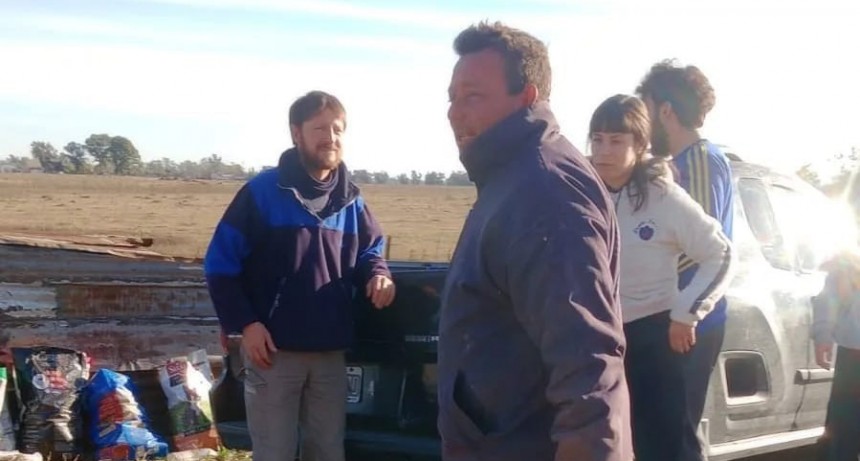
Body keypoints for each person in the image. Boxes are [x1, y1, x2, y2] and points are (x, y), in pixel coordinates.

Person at [438, 21, 632, 461]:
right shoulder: (513, 178)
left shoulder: (546, 194)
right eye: (451, 97)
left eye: (472, 96)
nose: (454, 112)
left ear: (526, 97)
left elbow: (586, 361)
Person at [203, 90, 396, 461]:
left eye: (338, 129)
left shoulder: (352, 201)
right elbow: (220, 265)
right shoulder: (262, 193)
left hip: (329, 353)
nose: (331, 137)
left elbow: (370, 252)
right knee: (275, 453)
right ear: (296, 133)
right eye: (320, 128)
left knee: (326, 452)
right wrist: (247, 324)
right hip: (272, 353)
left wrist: (379, 274)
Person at [589, 94, 735, 461]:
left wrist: (687, 313)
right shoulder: (580, 192)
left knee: (666, 446)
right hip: (595, 340)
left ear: (640, 144)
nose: (604, 150)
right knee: (604, 444)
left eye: (617, 141)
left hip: (653, 337)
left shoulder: (663, 195)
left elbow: (720, 253)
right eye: (598, 139)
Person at [635, 59, 735, 452]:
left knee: (674, 437)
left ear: (665, 110)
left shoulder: (698, 160)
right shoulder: (680, 163)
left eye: (644, 109)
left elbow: (703, 249)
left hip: (686, 321)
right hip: (674, 318)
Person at [812, 250, 860, 461]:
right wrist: (823, 334)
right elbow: (829, 297)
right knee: (843, 431)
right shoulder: (849, 260)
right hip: (854, 356)